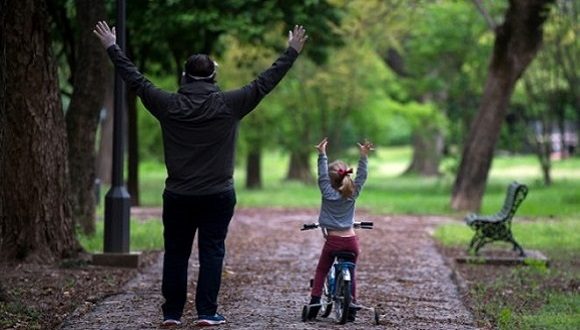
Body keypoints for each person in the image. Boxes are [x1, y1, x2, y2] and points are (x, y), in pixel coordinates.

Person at [93, 21, 308, 327]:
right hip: (218, 194)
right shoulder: (229, 104)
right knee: (212, 252)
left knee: (176, 253)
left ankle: (172, 314)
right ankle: (207, 313)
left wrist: (112, 47)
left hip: (179, 194)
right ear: (213, 76)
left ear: (184, 75)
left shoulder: (168, 105)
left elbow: (136, 80)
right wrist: (291, 52)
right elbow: (264, 82)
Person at [306, 137, 374, 322]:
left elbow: (321, 175)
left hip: (333, 241)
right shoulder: (352, 193)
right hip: (351, 242)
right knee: (351, 273)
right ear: (346, 176)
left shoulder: (327, 193)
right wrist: (363, 156)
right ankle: (351, 306)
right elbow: (361, 177)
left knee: (321, 270)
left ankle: (314, 303)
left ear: (330, 179)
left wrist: (322, 154)